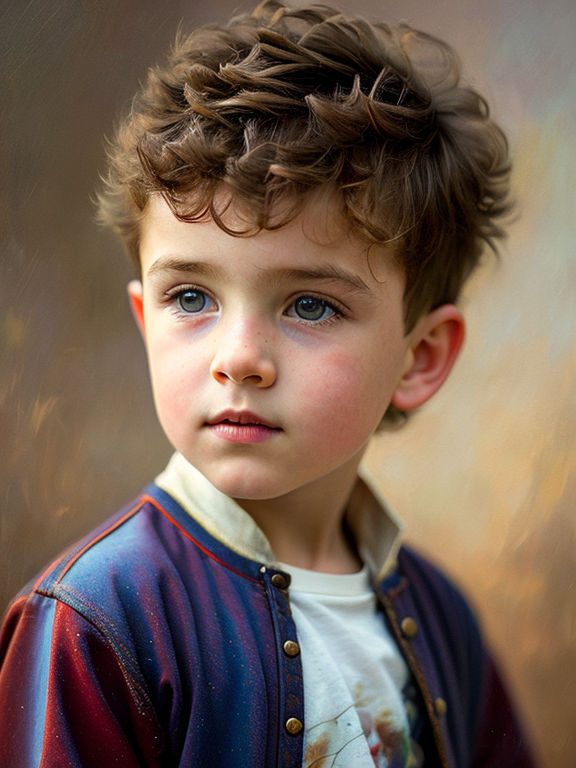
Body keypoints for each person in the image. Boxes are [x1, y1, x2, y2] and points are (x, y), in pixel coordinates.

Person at [0, 1, 535, 766]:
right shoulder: (96, 622)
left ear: (418, 358)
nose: (239, 357)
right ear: (145, 319)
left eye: (310, 304)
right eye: (191, 298)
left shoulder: (442, 617)